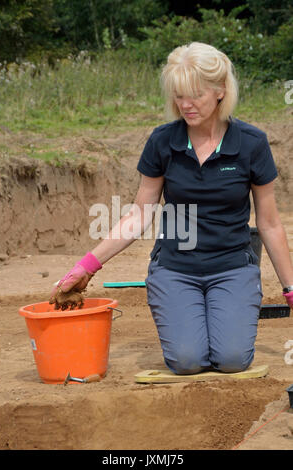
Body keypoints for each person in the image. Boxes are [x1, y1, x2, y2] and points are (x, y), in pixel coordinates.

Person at [50, 42, 293, 375]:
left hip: (233, 267)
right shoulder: (163, 141)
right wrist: (87, 265)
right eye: (179, 95)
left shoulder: (251, 143)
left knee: (232, 359)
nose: (185, 104)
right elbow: (139, 215)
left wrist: (290, 289)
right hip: (176, 268)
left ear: (221, 90)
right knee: (187, 361)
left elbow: (269, 224)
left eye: (195, 95)